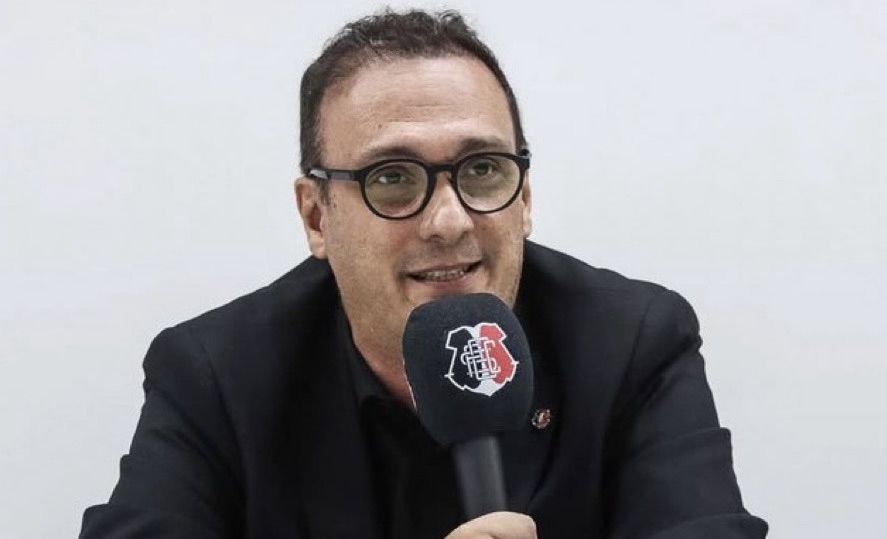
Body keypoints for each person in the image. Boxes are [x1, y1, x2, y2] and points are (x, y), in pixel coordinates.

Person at [80, 9, 767, 539]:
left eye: (482, 169)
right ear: (316, 216)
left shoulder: (632, 343)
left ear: (525, 198)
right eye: (393, 177)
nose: (448, 220)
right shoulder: (216, 375)